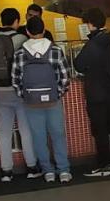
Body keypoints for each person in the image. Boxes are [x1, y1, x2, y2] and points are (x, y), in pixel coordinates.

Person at [12, 16, 72, 182]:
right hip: (53, 101)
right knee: (58, 135)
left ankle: (48, 171)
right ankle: (63, 170)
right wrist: (57, 93)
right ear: (44, 30)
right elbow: (65, 77)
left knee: (38, 137)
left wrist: (26, 96)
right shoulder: (55, 50)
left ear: (27, 32)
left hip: (31, 103)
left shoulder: (20, 53)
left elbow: (15, 80)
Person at [0, 8, 40, 181]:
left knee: (3, 132)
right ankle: (32, 167)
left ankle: (6, 171)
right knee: (25, 130)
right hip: (19, 91)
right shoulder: (21, 39)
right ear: (16, 21)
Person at [73, 7, 110, 176]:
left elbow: (78, 65)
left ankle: (103, 164)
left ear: (91, 24)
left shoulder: (93, 44)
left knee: (100, 129)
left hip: (96, 92)